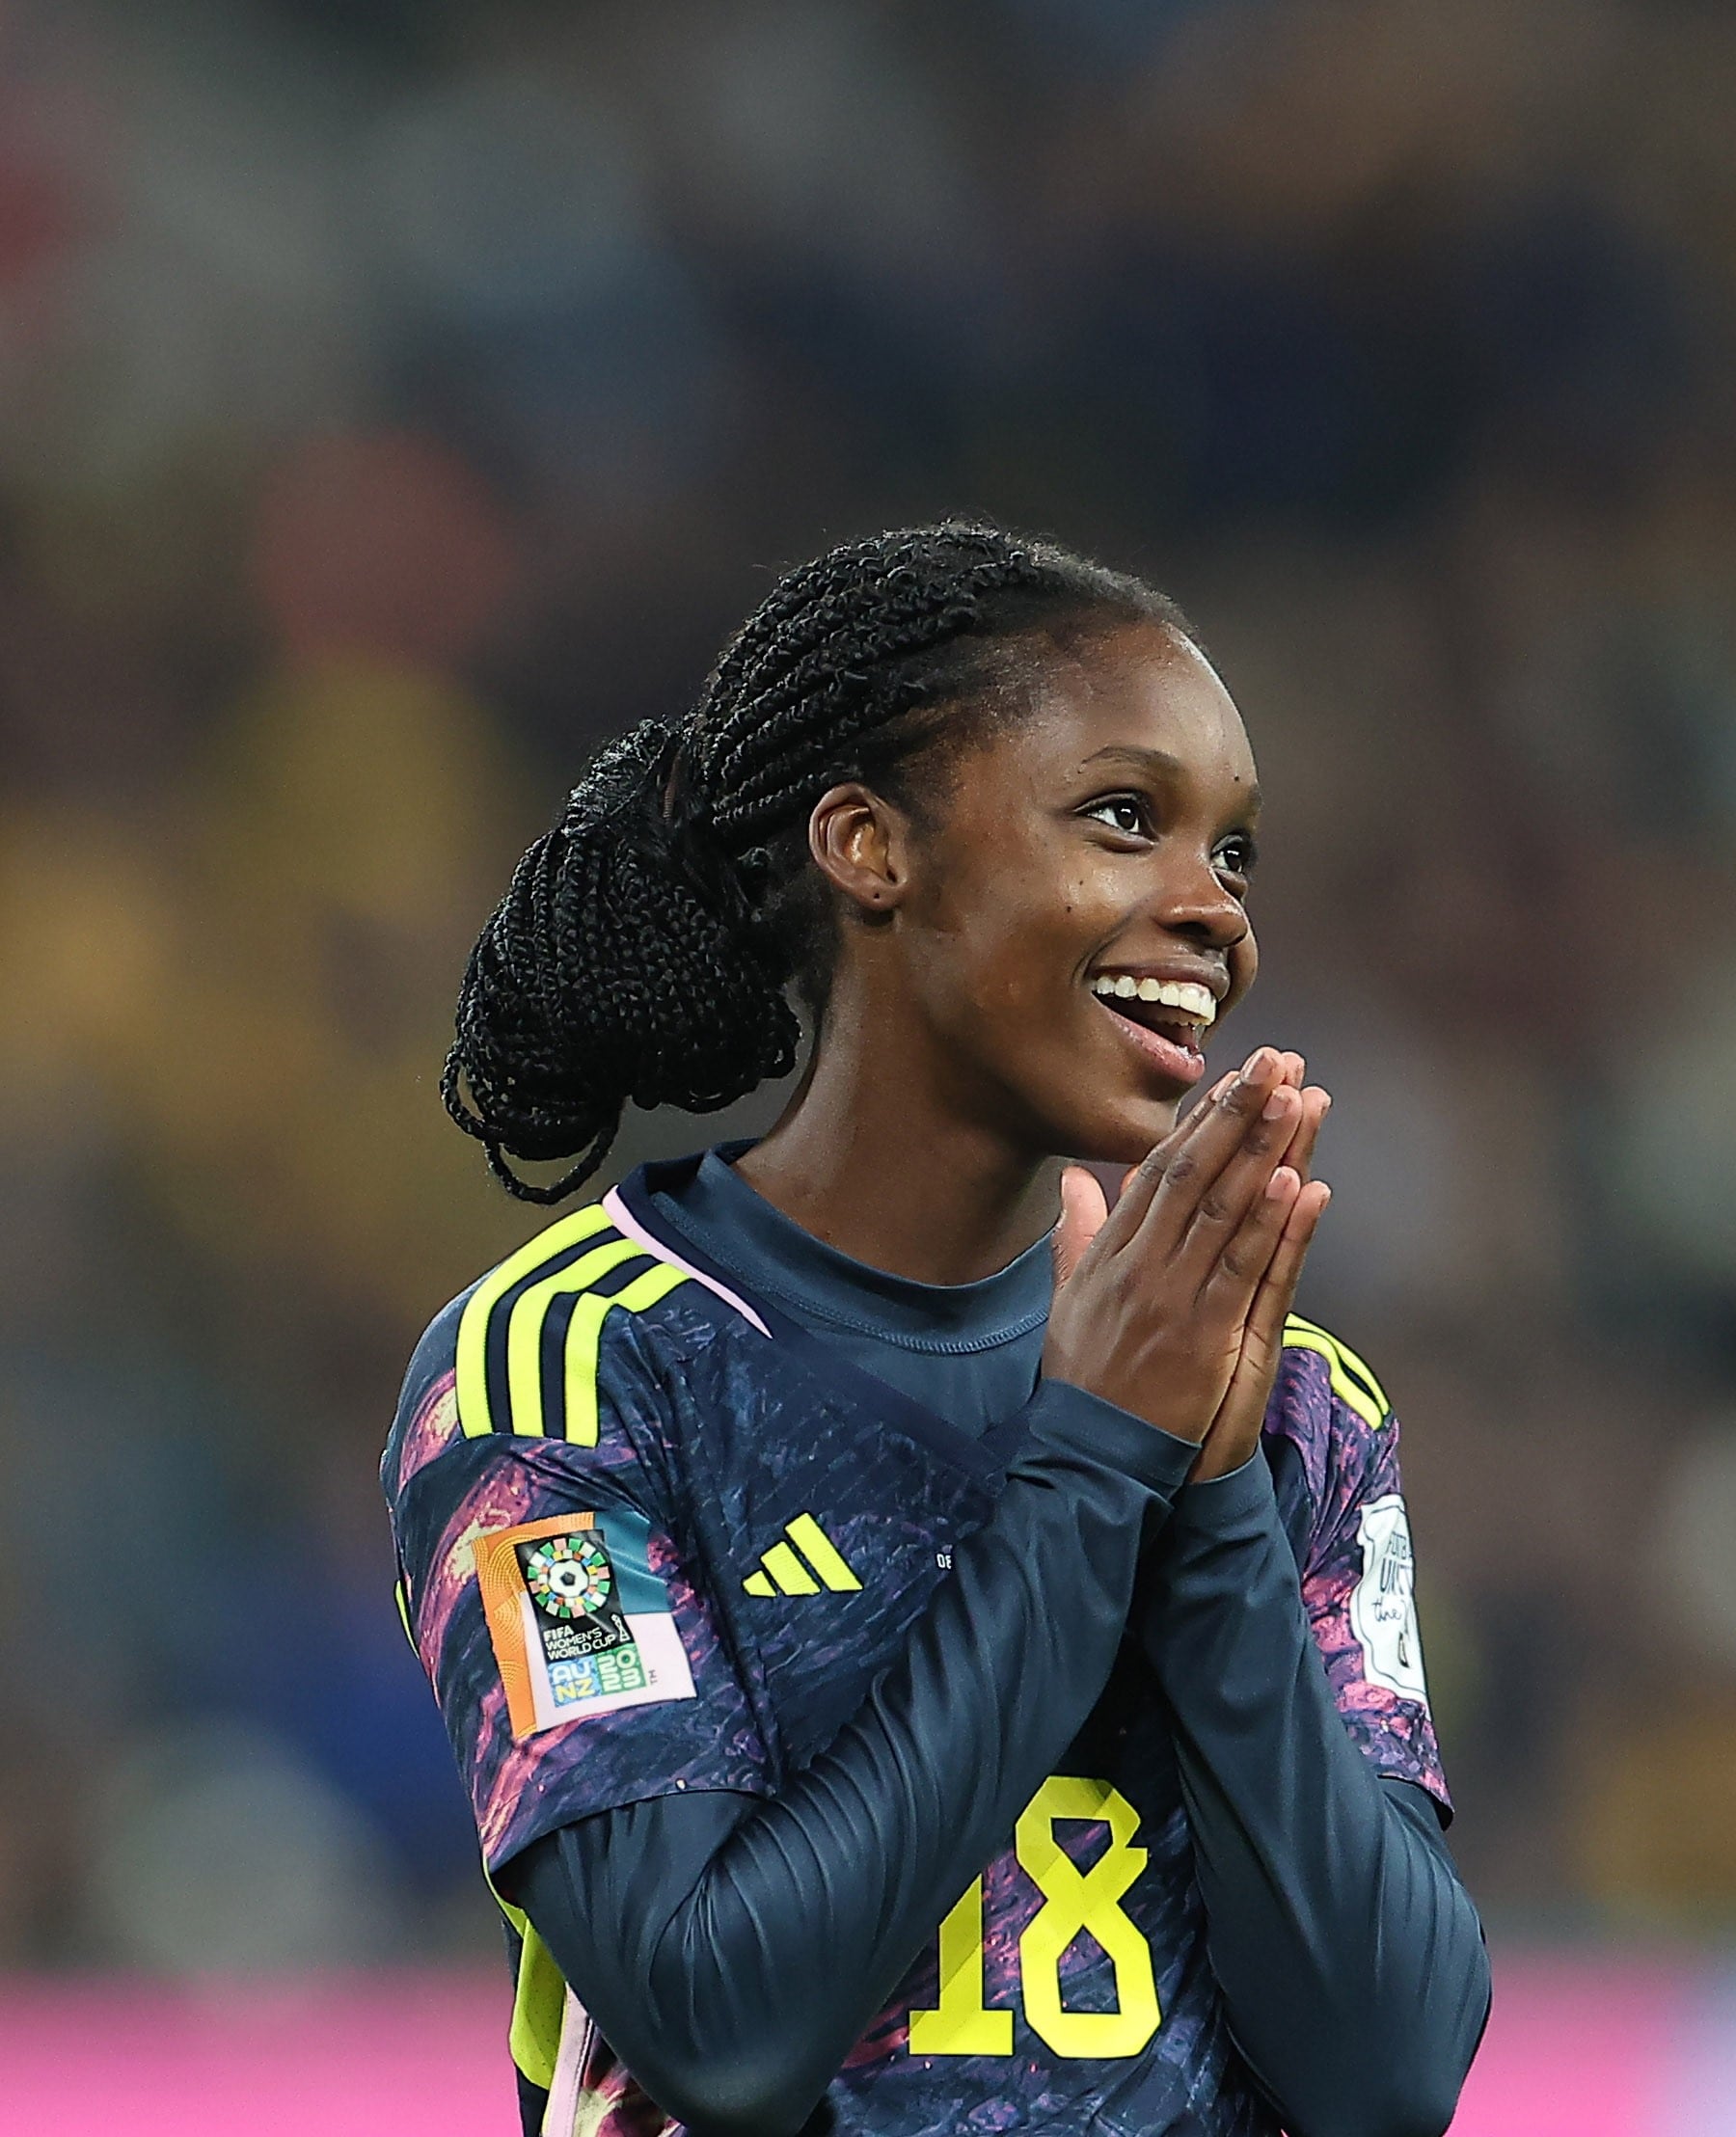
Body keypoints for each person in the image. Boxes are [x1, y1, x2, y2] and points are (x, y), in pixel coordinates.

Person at [380, 524, 1488, 2137]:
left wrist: (1212, 1499)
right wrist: (1097, 1466)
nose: (1215, 914)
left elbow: (1388, 2079)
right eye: (1127, 819)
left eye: (1233, 854)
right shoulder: (578, 1371)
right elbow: (721, 2027)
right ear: (867, 846)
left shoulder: (1290, 1399)